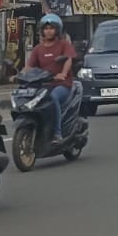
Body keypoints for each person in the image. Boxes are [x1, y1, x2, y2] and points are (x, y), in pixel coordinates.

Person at [25, 14, 76, 146]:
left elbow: (68, 59)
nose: (48, 31)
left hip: (61, 85)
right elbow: (29, 66)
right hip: (43, 85)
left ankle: (57, 133)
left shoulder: (63, 45)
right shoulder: (38, 49)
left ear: (57, 30)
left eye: (51, 28)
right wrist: (19, 75)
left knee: (53, 97)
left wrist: (63, 74)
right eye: (46, 28)